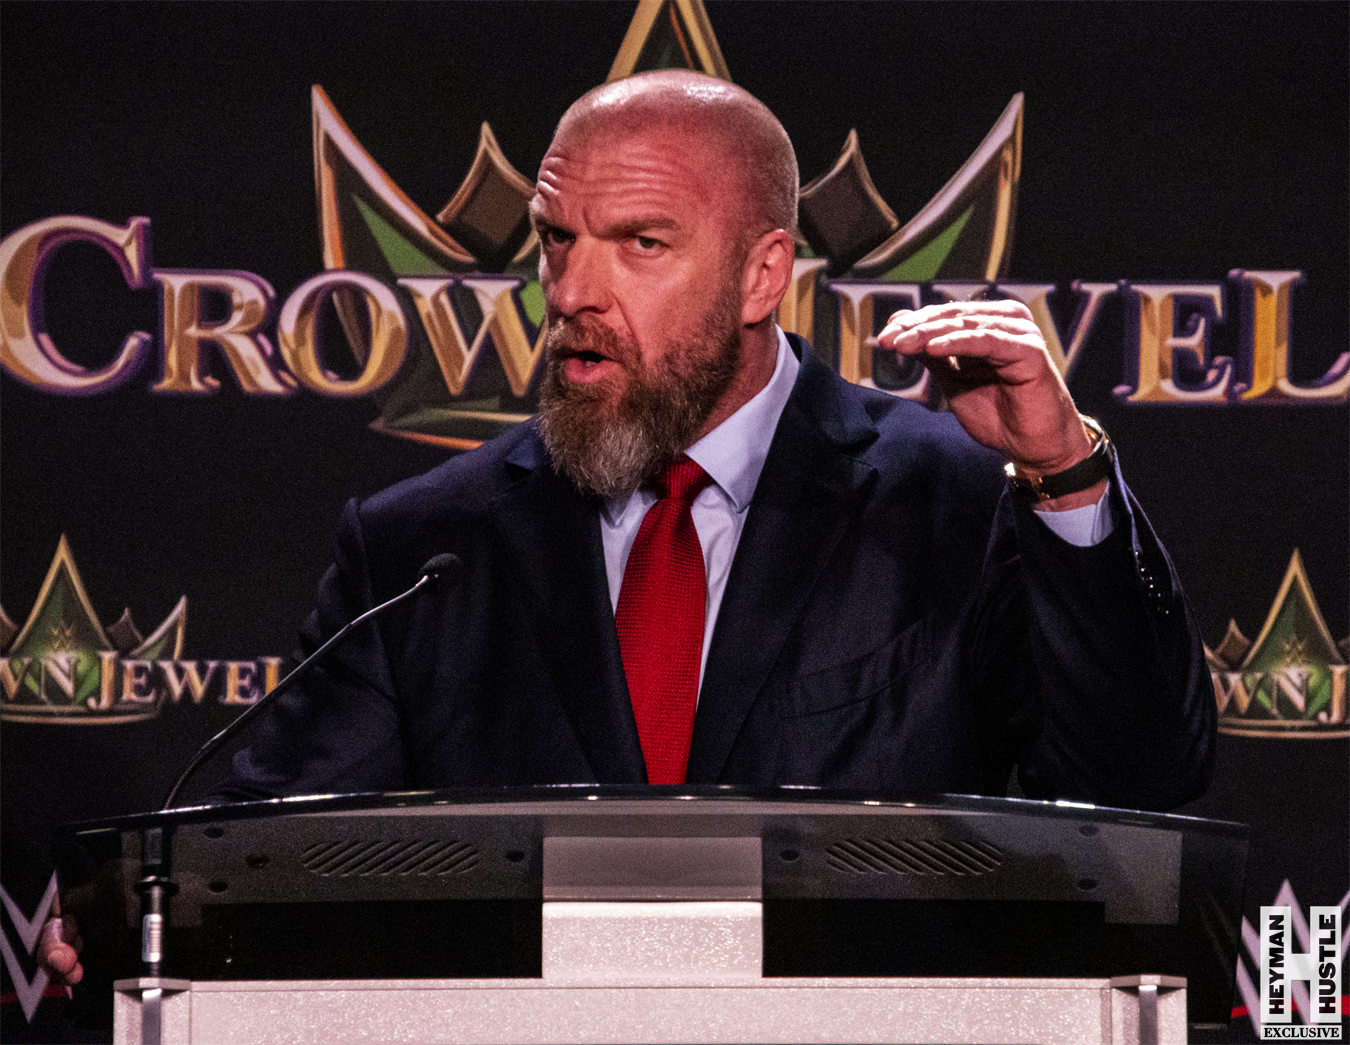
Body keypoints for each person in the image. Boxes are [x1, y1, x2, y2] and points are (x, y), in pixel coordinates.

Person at [40, 67, 1216, 987]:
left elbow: (1140, 782)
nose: (571, 292)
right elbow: (268, 855)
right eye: (559, 239)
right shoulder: (427, 549)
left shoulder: (950, 498)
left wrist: (1065, 476)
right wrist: (135, 908)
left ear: (762, 274)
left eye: (641, 243)